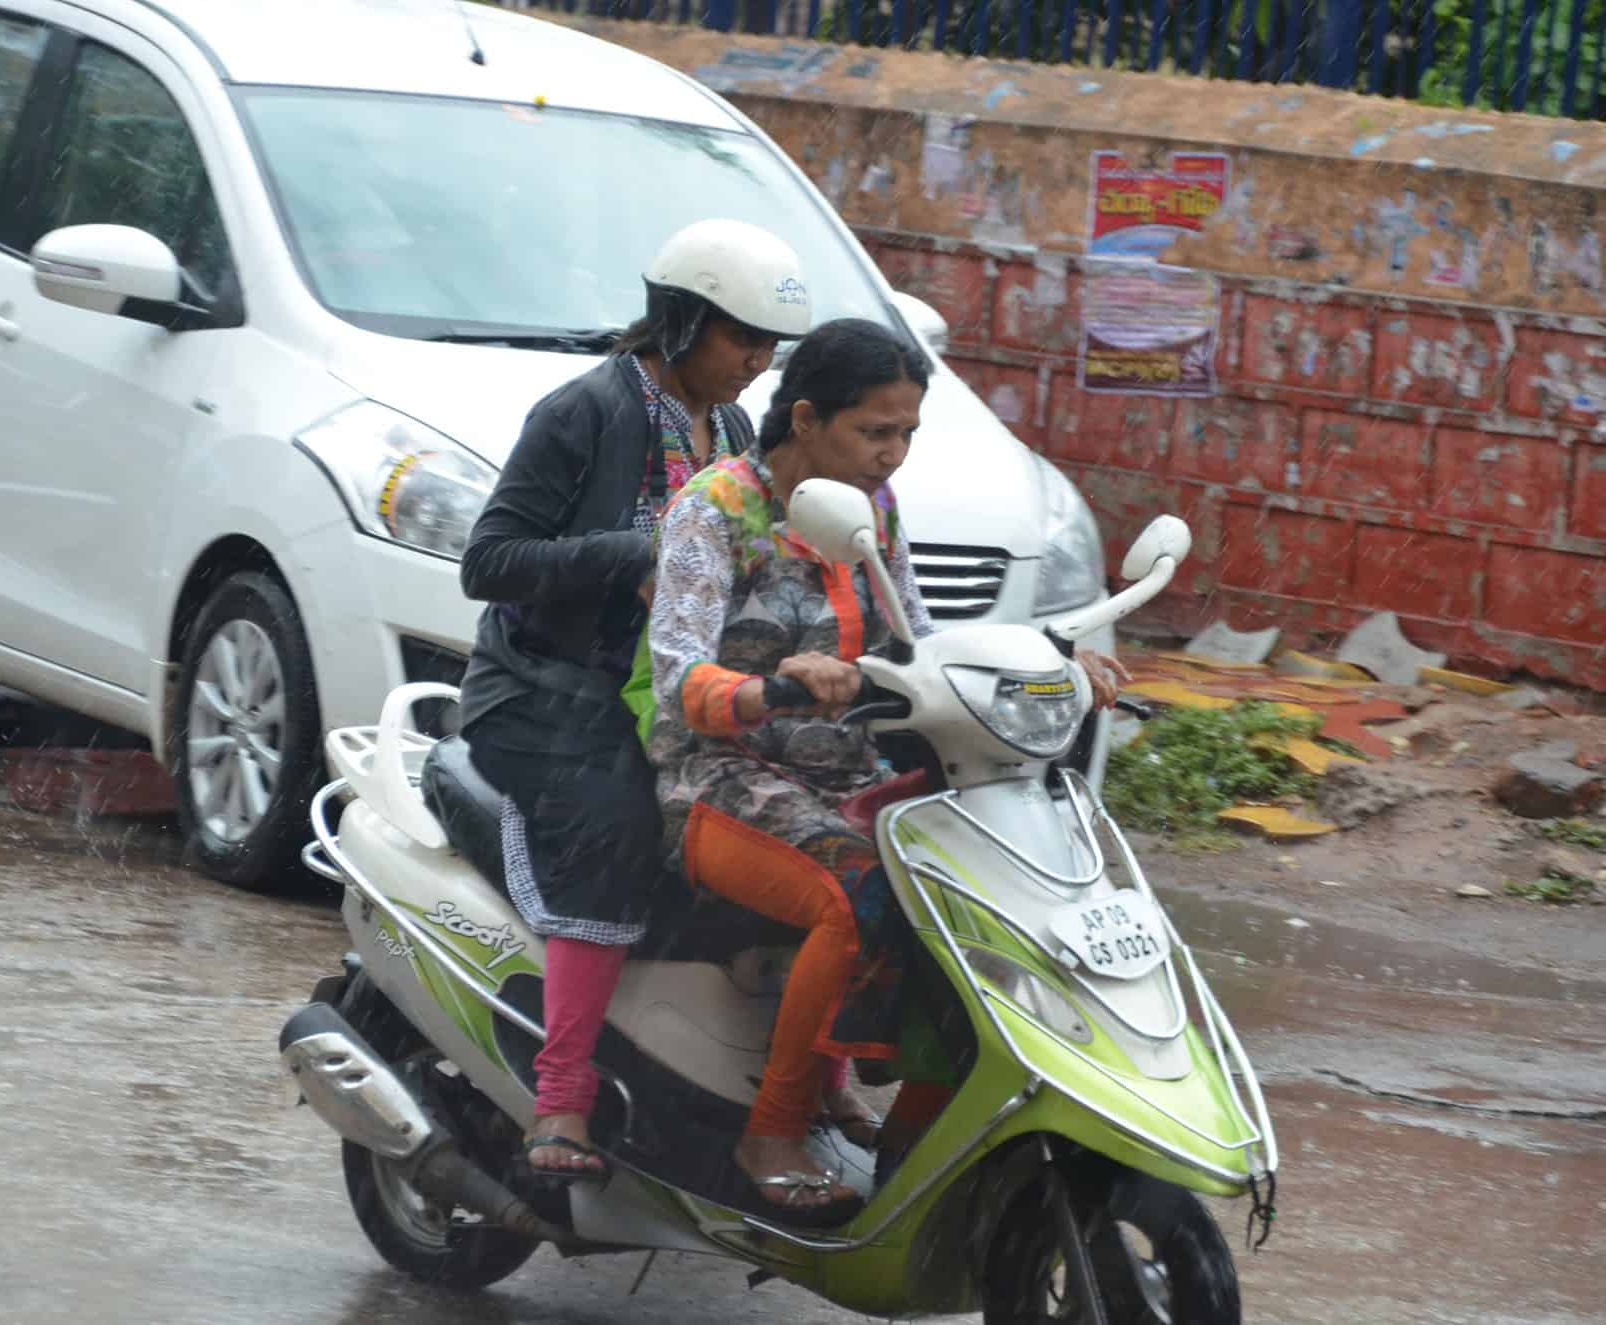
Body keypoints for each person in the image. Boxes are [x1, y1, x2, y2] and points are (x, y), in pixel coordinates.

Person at [646, 318, 1126, 1222]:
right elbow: (679, 681)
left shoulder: (875, 509)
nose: (893, 454)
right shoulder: (712, 511)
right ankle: (772, 1131)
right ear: (805, 418)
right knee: (854, 890)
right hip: (716, 779)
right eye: (875, 431)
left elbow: (920, 643)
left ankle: (909, 1120)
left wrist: (1055, 662)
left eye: (906, 432)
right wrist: (770, 689)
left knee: (975, 877)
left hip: (846, 775)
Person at [451, 219, 812, 1180]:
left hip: (673, 693)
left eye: (770, 346)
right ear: (682, 320)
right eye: (743, 338)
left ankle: (792, 1081)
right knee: (617, 823)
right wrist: (635, 552)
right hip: (543, 692)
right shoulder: (582, 413)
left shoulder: (735, 431)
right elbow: (488, 562)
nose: (758, 363)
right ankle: (561, 1098)